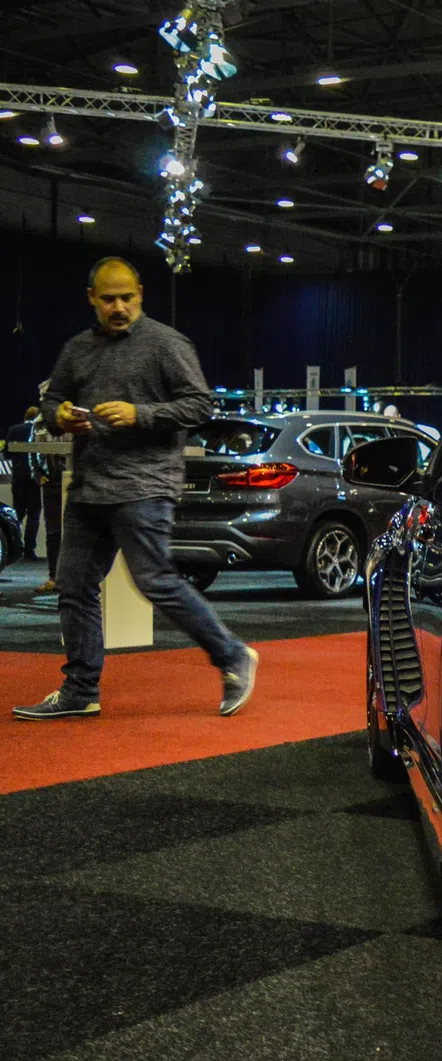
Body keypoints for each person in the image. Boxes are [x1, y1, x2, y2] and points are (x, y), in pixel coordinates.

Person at [12, 257, 259, 720]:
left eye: (127, 297)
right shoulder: (77, 348)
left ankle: (232, 656)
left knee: (156, 581)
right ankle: (80, 690)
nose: (119, 307)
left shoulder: (166, 344)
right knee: (73, 586)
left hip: (145, 483)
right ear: (92, 299)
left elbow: (200, 405)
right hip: (89, 487)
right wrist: (58, 416)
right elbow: (52, 399)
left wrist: (139, 414)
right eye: (109, 299)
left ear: (141, 294)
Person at [31, 385, 68, 595]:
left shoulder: (71, 420)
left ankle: (71, 579)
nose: (43, 399)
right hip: (50, 483)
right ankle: (54, 577)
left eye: (46, 395)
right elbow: (32, 452)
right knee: (53, 532)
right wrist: (38, 476)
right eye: (42, 396)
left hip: (71, 482)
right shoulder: (38, 424)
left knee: (73, 532)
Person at [5, 404, 42, 560]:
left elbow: (6, 453)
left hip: (19, 478)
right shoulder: (40, 431)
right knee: (34, 515)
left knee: (17, 514)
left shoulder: (14, 430)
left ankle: (16, 548)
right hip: (36, 478)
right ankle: (29, 550)